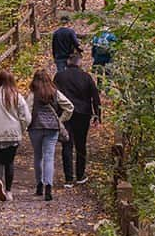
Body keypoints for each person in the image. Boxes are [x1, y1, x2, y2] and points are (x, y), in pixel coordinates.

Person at [0, 68, 32, 202]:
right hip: (13, 133)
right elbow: (26, 117)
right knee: (9, 162)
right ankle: (8, 191)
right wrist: (22, 129)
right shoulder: (17, 96)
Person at [53, 50, 102, 186]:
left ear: (68, 62)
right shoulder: (86, 77)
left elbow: (54, 96)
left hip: (65, 114)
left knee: (67, 145)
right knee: (81, 145)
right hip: (83, 114)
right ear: (79, 63)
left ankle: (68, 178)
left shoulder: (59, 76)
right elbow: (95, 97)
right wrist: (98, 115)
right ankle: (80, 175)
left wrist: (55, 113)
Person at [25, 69, 73, 202]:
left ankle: (39, 184)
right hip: (52, 128)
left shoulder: (32, 95)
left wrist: (26, 126)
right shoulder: (55, 93)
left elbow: (27, 112)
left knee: (38, 156)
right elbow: (70, 107)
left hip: (35, 128)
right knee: (49, 157)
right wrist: (61, 119)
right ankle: (48, 187)